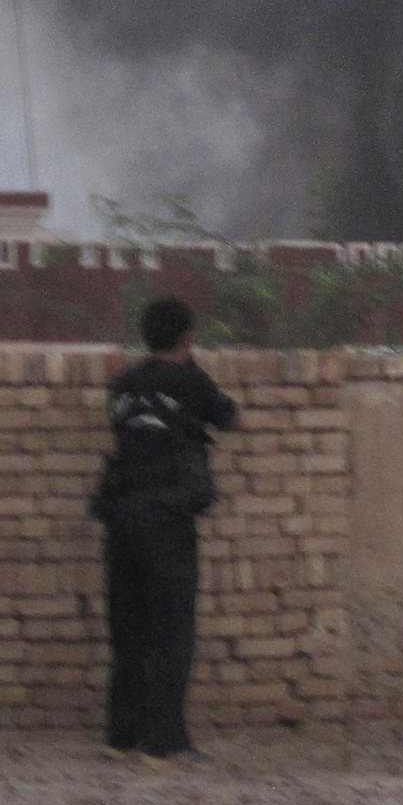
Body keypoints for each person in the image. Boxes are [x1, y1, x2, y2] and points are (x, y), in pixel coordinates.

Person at [91, 295, 240, 761]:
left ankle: (122, 736)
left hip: (121, 515)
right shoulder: (190, 379)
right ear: (186, 337)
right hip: (167, 517)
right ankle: (165, 743)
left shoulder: (124, 385)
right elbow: (233, 418)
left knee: (129, 628)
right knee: (172, 629)